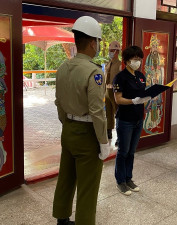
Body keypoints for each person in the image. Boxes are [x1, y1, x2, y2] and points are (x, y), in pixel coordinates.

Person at [53, 16, 111, 225]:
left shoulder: (63, 68)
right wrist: (103, 142)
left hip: (67, 129)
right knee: (88, 186)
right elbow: (97, 112)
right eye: (99, 42)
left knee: (66, 177)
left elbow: (59, 103)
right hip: (87, 134)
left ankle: (62, 218)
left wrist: (67, 123)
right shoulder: (94, 72)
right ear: (92, 42)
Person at [113, 46, 150, 196]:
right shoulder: (120, 77)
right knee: (123, 151)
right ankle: (120, 182)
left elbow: (143, 94)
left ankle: (129, 178)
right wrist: (133, 101)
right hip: (125, 120)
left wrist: (148, 97)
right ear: (127, 60)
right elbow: (118, 99)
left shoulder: (141, 76)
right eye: (135, 59)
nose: (138, 61)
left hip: (138, 119)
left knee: (132, 152)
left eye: (139, 58)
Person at [105, 41, 122, 143]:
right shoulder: (108, 64)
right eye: (109, 50)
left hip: (115, 90)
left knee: (118, 113)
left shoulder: (120, 65)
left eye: (112, 51)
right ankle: (108, 131)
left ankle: (119, 136)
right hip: (107, 90)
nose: (110, 52)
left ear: (117, 51)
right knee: (108, 112)